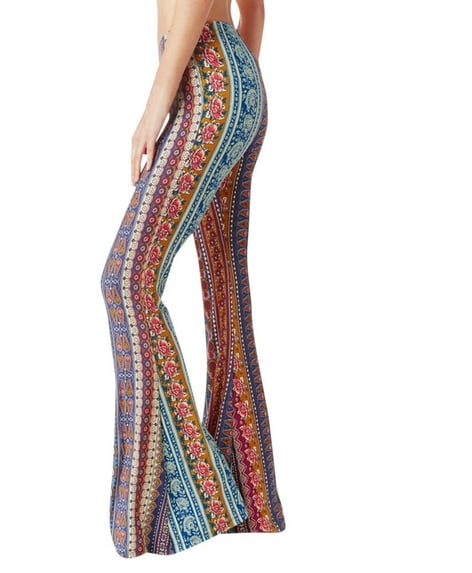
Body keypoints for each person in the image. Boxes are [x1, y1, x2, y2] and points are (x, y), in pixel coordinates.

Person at [101, 0, 286, 557]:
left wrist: (155, 107)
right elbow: (253, 10)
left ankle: (193, 497)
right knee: (226, 291)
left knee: (126, 280)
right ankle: (251, 500)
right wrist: (239, 83)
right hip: (235, 78)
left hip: (203, 76)